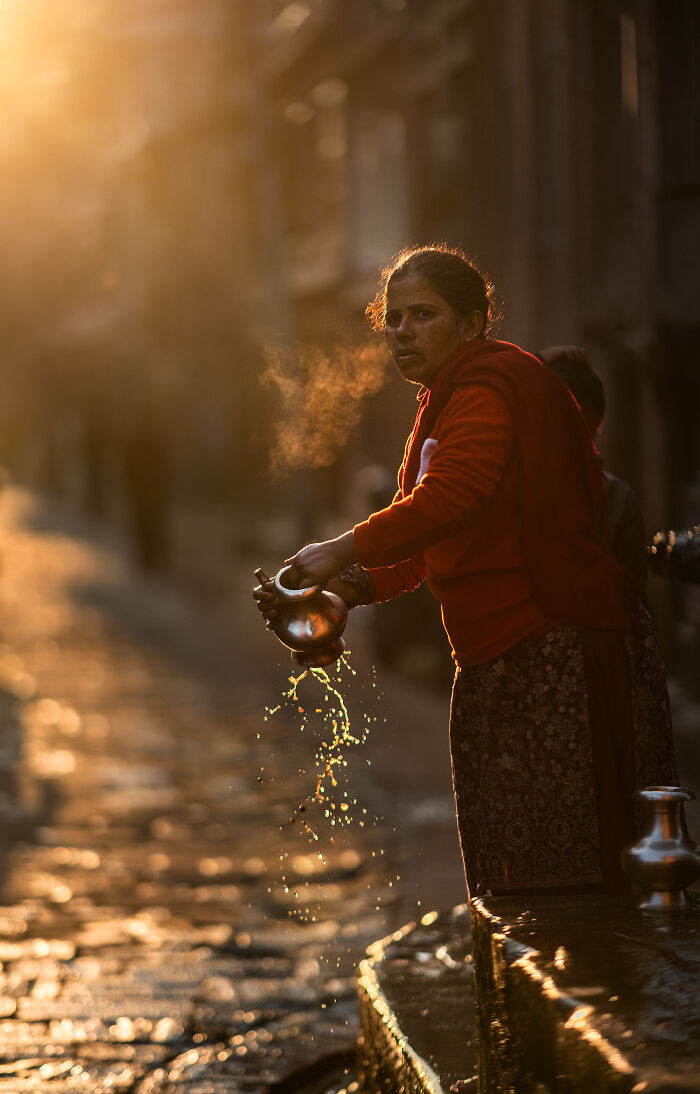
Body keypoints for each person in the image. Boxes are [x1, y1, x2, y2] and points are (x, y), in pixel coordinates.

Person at [254, 244, 678, 900]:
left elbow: (449, 500)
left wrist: (339, 549)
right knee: (510, 875)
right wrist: (338, 597)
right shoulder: (442, 406)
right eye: (393, 318)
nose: (403, 331)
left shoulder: (487, 390)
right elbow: (426, 546)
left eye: (423, 315)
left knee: (563, 888)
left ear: (472, 323)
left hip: (552, 655)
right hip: (496, 660)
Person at [536, 345, 648, 596]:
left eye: (583, 424)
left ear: (598, 424)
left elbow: (632, 594)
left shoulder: (619, 500)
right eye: (563, 423)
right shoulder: (518, 488)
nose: (573, 437)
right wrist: (534, 361)